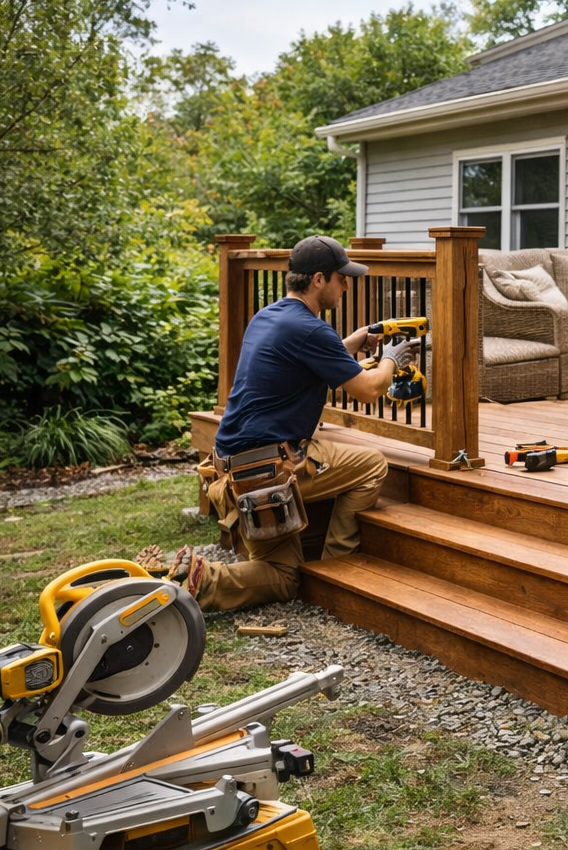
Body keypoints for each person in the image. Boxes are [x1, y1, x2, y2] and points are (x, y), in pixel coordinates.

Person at [141, 235, 421, 612]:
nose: (346, 285)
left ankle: (197, 578)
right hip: (266, 471)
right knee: (371, 465)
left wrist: (350, 344)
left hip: (230, 469)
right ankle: (337, 565)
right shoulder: (312, 330)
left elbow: (309, 354)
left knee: (280, 572)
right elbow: (370, 389)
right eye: (342, 278)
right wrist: (391, 357)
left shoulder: (269, 316)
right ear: (319, 279)